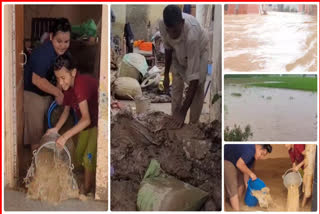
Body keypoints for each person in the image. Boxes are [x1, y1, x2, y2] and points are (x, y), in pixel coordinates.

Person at [47, 53, 99, 194]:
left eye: (63, 78)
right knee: (79, 153)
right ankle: (84, 178)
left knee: (88, 156)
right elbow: (66, 111)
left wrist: (64, 137)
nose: (61, 82)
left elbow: (86, 118)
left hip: (98, 123)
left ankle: (87, 190)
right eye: (58, 79)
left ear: (74, 72)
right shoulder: (69, 88)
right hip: (87, 125)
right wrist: (56, 129)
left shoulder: (80, 85)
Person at [24, 18, 71, 152]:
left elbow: (60, 75)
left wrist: (59, 90)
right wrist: (58, 93)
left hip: (47, 93)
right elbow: (37, 80)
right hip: (33, 95)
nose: (62, 45)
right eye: (59, 41)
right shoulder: (43, 53)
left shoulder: (64, 54)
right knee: (36, 135)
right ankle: (36, 166)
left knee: (46, 131)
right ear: (51, 37)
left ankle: (45, 160)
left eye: (66, 41)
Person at [159, 5, 209, 129]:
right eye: (169, 31)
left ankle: (193, 125)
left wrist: (183, 112)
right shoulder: (163, 24)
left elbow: (194, 79)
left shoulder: (192, 35)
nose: (172, 34)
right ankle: (175, 118)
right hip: (178, 52)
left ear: (182, 23)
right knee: (176, 84)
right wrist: (166, 75)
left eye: (175, 31)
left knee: (198, 87)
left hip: (200, 50)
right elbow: (168, 49)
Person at [224, 144, 272, 211]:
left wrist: (248, 187)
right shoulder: (250, 150)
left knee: (241, 184)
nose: (261, 157)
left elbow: (246, 172)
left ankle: (236, 203)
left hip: (236, 160)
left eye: (264, 155)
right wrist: (251, 174)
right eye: (262, 154)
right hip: (226, 159)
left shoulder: (252, 157)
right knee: (233, 186)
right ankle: (236, 210)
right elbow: (239, 164)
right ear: (258, 148)